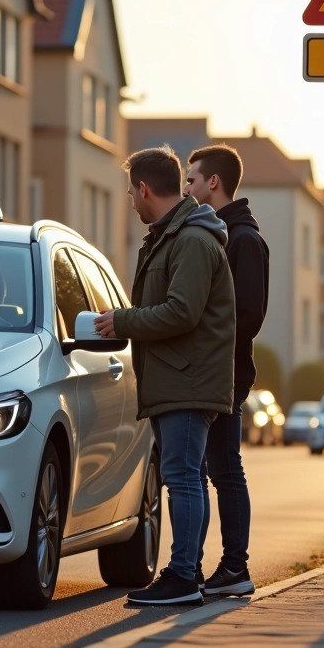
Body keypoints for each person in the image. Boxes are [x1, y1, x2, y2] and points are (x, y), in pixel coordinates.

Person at [95, 145, 235, 606]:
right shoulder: (173, 236)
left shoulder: (191, 240)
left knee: (182, 477)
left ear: (145, 188)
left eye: (131, 192)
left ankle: (181, 577)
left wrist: (124, 320)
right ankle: (187, 573)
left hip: (188, 381)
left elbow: (182, 312)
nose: (131, 201)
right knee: (187, 475)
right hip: (178, 379)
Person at [183, 143, 270, 597]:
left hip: (226, 374)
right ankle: (194, 570)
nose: (187, 187)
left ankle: (235, 568)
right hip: (210, 371)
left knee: (224, 470)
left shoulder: (244, 239)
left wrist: (208, 346)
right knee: (205, 469)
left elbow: (249, 314)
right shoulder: (222, 233)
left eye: (192, 179)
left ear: (213, 182)